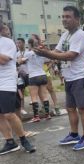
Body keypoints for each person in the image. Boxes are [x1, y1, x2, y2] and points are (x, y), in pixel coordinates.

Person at [33, 6, 84, 151]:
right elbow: (57, 51)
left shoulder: (80, 35)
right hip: (70, 78)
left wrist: (48, 54)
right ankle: (74, 135)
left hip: (81, 77)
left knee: (83, 109)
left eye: (68, 16)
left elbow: (70, 55)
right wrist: (45, 52)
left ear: (77, 19)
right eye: (63, 16)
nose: (64, 19)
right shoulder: (65, 35)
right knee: (71, 108)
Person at [0, 22, 36, 155]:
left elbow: (3, 60)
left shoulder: (7, 42)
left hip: (6, 83)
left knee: (9, 114)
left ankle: (24, 140)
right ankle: (10, 142)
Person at [16, 38, 29, 115]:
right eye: (17, 43)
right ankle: (22, 108)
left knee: (33, 91)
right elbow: (16, 63)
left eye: (19, 43)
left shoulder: (28, 52)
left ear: (24, 43)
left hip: (29, 73)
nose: (18, 44)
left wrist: (22, 60)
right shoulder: (16, 54)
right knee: (21, 91)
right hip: (21, 74)